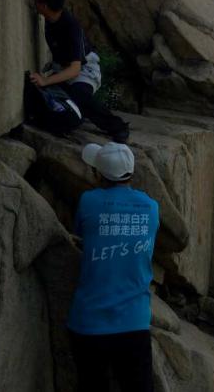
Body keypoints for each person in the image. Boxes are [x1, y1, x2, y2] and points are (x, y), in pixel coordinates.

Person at [68, 142, 160, 392]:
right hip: (134, 322)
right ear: (131, 173)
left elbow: (80, 234)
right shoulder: (152, 208)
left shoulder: (89, 201)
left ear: (98, 174)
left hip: (89, 322)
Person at [28, 0, 129, 142]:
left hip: (85, 70)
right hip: (63, 70)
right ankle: (75, 116)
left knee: (79, 95)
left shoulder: (71, 26)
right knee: (42, 93)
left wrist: (46, 79)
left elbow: (75, 70)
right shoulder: (50, 17)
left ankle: (118, 127)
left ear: (45, 6)